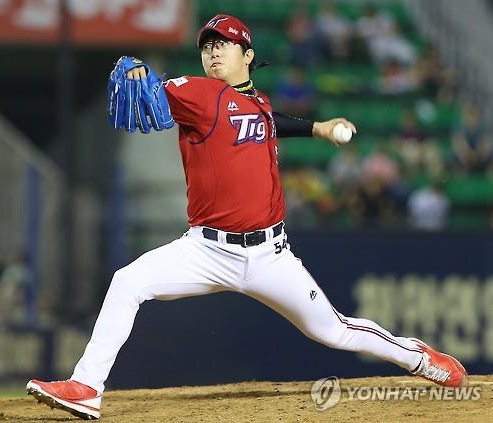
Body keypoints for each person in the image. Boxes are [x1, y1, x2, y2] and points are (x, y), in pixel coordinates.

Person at [26, 14, 468, 421]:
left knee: (334, 331)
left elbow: (267, 119)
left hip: (270, 256)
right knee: (127, 281)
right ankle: (87, 387)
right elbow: (157, 91)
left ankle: (418, 358)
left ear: (248, 55)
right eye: (207, 46)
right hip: (205, 250)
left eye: (224, 43)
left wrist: (317, 128)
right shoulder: (197, 92)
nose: (213, 51)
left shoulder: (257, 101)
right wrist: (140, 71)